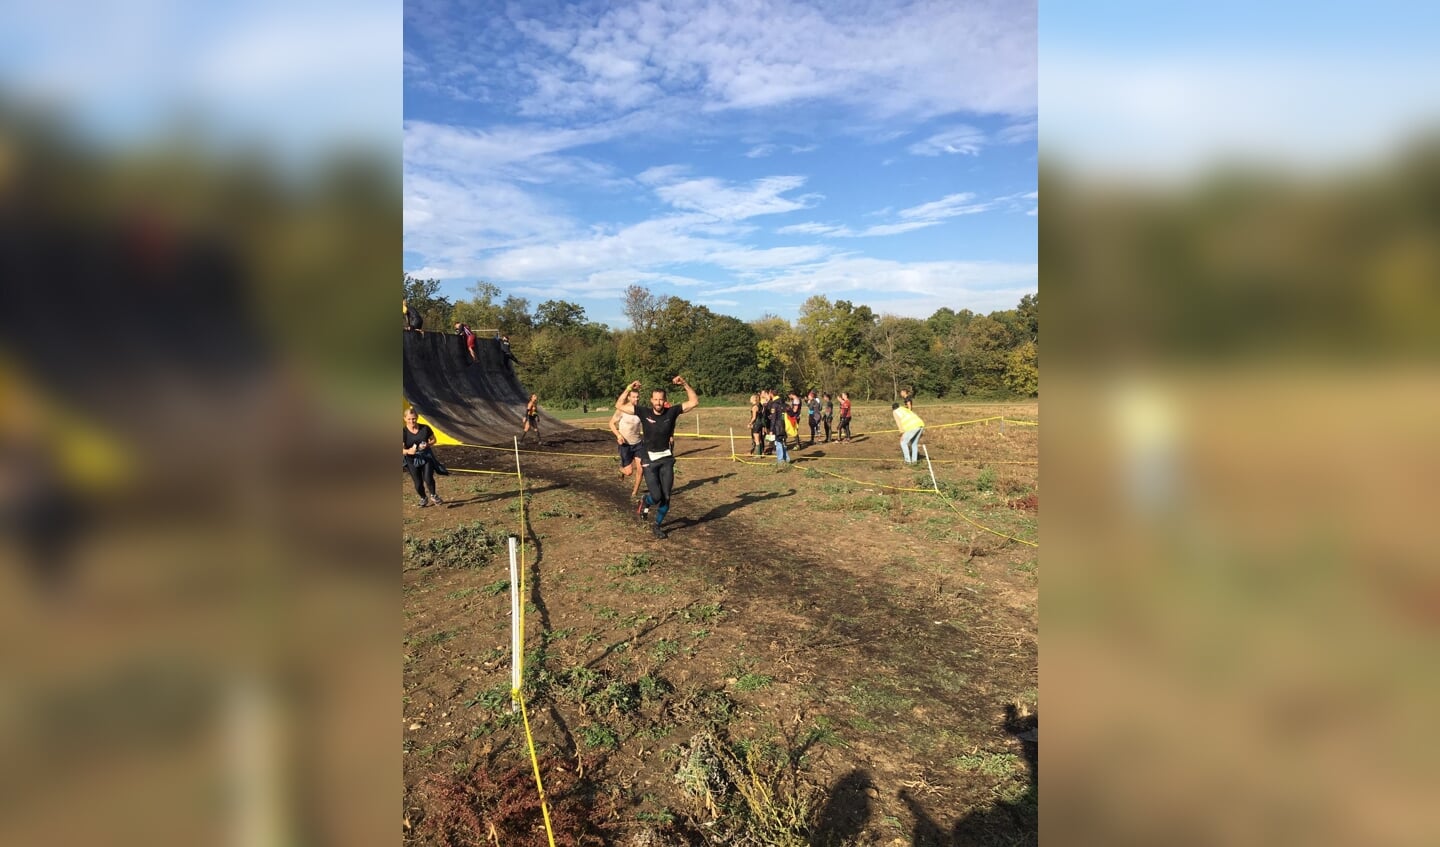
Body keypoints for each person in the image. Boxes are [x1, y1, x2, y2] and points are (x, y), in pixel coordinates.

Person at [615, 375, 699, 539]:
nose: (658, 402)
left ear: (665, 400)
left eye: (661, 400)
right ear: (651, 400)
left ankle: (657, 525)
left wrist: (685, 384)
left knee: (666, 497)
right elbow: (618, 405)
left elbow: (694, 401)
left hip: (666, 460)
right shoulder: (643, 411)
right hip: (649, 460)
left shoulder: (672, 411)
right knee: (656, 496)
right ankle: (645, 501)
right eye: (655, 399)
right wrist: (629, 388)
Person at [403, 407, 444, 506]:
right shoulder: (403, 432)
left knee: (428, 478)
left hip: (425, 456)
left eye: (413, 418)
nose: (411, 421)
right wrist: (409, 451)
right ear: (404, 419)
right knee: (418, 483)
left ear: (417, 417)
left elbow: (434, 440)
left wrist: (428, 445)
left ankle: (434, 495)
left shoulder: (425, 428)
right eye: (409, 419)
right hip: (411, 459)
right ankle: (423, 498)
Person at [609, 388, 644, 499]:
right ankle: (621, 469)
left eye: (637, 397)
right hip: (625, 445)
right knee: (629, 472)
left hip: (638, 444)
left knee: (641, 469)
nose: (636, 399)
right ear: (629, 397)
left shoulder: (640, 410)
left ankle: (634, 493)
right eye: (633, 397)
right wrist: (618, 435)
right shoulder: (622, 410)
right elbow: (611, 423)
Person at [768, 389, 790, 464]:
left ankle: (780, 460)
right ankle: (787, 458)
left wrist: (771, 430)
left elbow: (774, 418)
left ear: (771, 394)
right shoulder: (782, 402)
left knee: (778, 442)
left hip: (777, 425)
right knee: (781, 441)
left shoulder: (774, 404)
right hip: (783, 424)